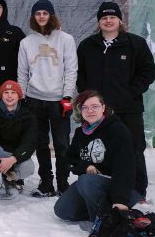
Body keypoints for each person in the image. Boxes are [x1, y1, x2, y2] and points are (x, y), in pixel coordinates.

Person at [76, 2, 155, 199]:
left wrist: (132, 91)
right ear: (99, 22)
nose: (108, 21)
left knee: (134, 149)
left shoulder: (135, 44)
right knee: (98, 148)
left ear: (120, 20)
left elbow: (148, 71)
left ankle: (138, 190)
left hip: (128, 109)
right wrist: (88, 98)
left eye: (112, 17)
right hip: (97, 112)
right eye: (104, 18)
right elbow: (80, 74)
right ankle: (104, 186)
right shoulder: (88, 45)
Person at [54, 90, 142, 227]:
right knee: (63, 210)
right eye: (85, 107)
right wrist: (85, 166)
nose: (90, 110)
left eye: (94, 106)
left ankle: (103, 221)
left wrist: (120, 200)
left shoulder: (117, 130)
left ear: (103, 107)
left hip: (126, 187)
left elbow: (125, 169)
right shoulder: (80, 133)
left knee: (86, 181)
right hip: (95, 184)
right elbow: (70, 158)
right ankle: (104, 209)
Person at [17, 0, 77, 197]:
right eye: (38, 13)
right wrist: (23, 98)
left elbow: (71, 70)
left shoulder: (65, 39)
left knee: (61, 144)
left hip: (59, 100)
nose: (41, 17)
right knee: (40, 143)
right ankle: (46, 182)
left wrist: (67, 96)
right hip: (34, 99)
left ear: (51, 16)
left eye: (45, 13)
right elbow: (22, 73)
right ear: (33, 17)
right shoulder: (26, 42)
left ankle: (63, 182)